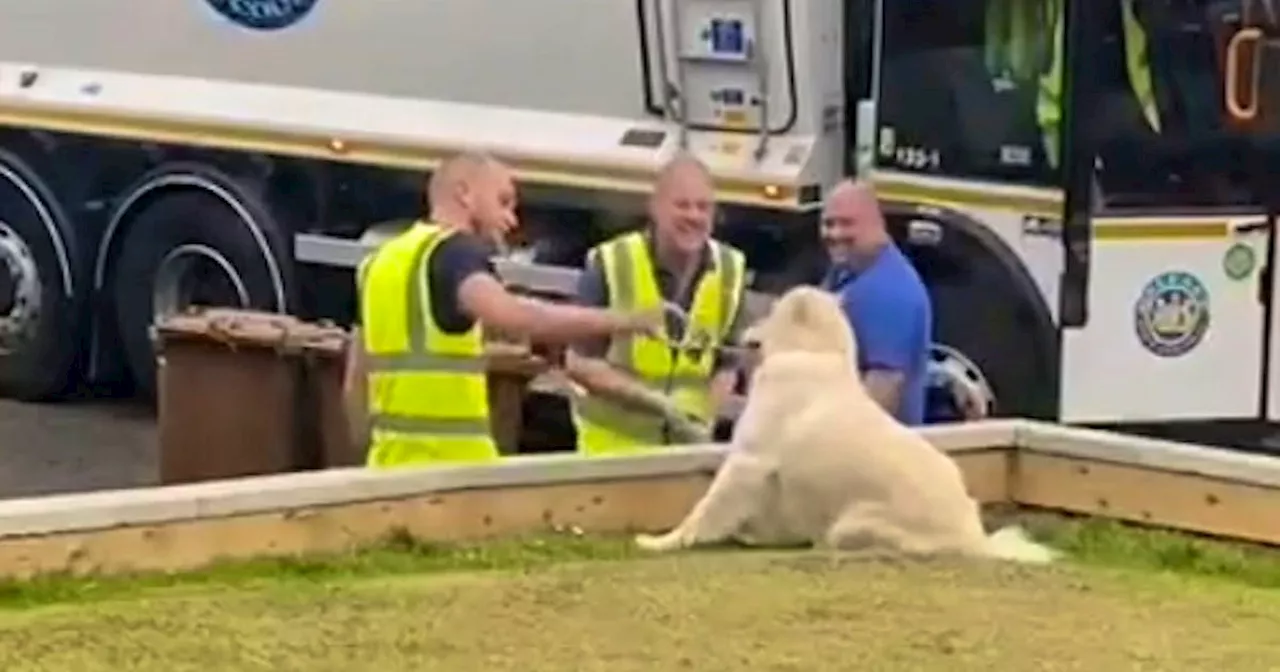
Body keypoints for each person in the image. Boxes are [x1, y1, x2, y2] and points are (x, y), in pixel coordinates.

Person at [344, 152, 661, 469]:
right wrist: (622, 319)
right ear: (464, 194)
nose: (512, 220)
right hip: (454, 473)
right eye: (503, 201)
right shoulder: (456, 253)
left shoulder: (379, 263)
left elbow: (354, 383)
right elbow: (516, 317)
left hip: (390, 466)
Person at [566, 153, 748, 455]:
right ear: (655, 208)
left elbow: (726, 363)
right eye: (682, 205)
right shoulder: (611, 263)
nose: (694, 216)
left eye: (703, 207)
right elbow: (579, 363)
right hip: (613, 454)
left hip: (683, 455)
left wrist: (704, 422)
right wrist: (657, 405)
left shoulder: (731, 269)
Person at [819, 179, 932, 426]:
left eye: (847, 223)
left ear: (877, 225)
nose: (835, 233)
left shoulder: (890, 290)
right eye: (829, 223)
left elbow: (883, 390)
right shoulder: (848, 270)